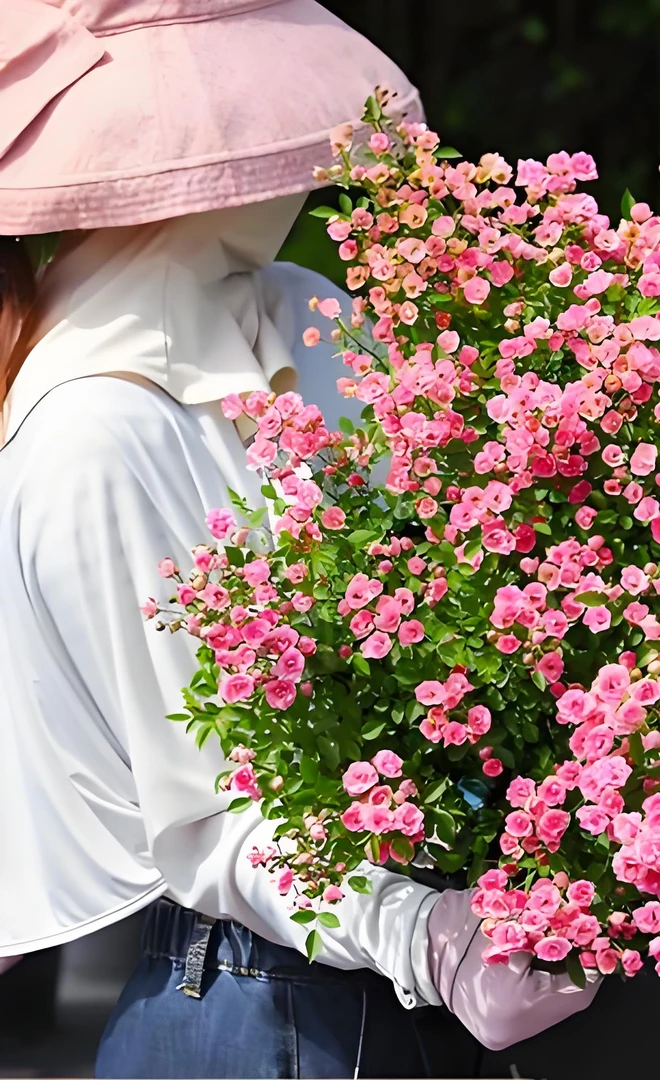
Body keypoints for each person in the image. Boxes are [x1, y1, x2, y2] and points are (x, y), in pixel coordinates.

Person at [0, 3, 598, 1077]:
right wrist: (425, 933)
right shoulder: (98, 427)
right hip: (260, 1007)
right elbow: (206, 812)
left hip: (411, 981)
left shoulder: (304, 315)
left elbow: (457, 607)